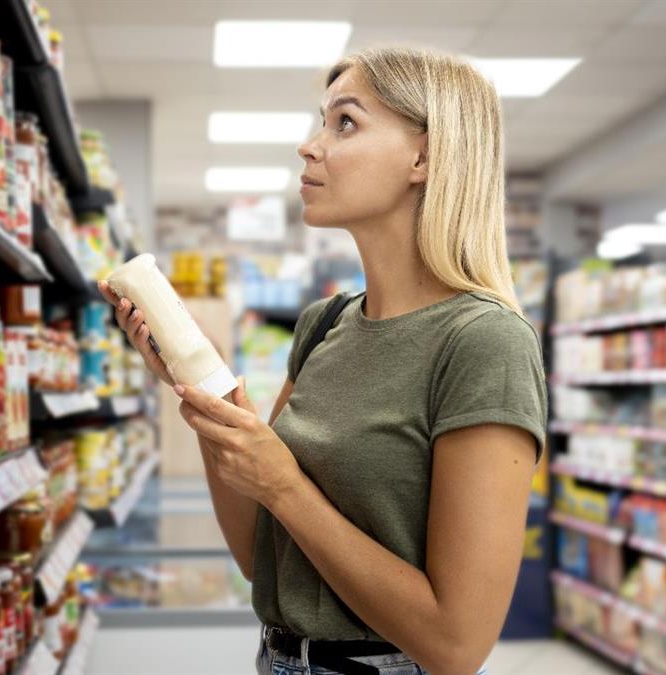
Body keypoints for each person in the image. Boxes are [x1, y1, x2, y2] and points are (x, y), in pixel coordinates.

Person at [98, 46, 546, 675]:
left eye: (346, 123)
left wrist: (284, 483)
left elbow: (456, 644)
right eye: (321, 122)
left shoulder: (484, 342)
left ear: (424, 155)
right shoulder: (325, 324)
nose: (309, 147)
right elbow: (264, 557)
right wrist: (203, 384)